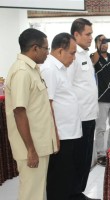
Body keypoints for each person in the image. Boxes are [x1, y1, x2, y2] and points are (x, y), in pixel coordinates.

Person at [5, 28, 58, 200]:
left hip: (39, 144)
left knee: (38, 192)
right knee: (31, 195)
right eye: (46, 49)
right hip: (31, 147)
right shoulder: (22, 72)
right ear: (35, 48)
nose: (47, 53)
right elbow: (19, 112)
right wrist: (30, 150)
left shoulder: (32, 69)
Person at [40, 33, 81, 200]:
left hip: (69, 132)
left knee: (66, 178)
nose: (74, 57)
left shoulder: (60, 68)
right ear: (59, 51)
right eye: (72, 53)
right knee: (58, 180)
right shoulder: (49, 70)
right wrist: (54, 135)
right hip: (61, 135)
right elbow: (47, 105)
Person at [68, 18, 99, 200]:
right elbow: (68, 87)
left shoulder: (85, 54)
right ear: (76, 34)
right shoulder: (73, 57)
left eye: (91, 34)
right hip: (79, 117)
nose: (90, 37)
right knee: (79, 158)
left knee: (86, 158)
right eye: (88, 34)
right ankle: (75, 194)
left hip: (89, 114)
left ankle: (79, 192)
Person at [93, 34, 110, 167]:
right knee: (101, 128)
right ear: (96, 43)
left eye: (106, 41)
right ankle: (100, 154)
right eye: (101, 41)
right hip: (100, 98)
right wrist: (97, 49)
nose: (104, 44)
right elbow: (92, 64)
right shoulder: (94, 57)